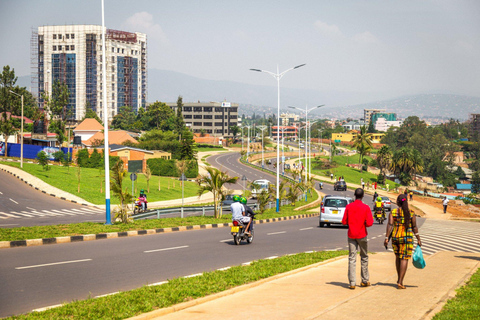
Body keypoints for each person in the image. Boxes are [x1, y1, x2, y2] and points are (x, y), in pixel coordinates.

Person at [384, 194, 422, 289]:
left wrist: (386, 238)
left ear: (397, 202)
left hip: (396, 237)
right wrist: (418, 239)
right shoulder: (411, 213)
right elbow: (414, 227)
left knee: (398, 257)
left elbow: (390, 225)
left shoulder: (393, 212)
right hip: (407, 238)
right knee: (404, 258)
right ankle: (400, 281)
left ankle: (398, 279)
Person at [342, 188, 374, 289]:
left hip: (351, 235)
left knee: (352, 258)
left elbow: (344, 221)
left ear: (354, 195)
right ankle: (364, 280)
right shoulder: (366, 207)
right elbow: (369, 223)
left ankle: (352, 282)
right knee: (364, 256)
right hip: (362, 235)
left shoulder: (348, 207)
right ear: (363, 196)